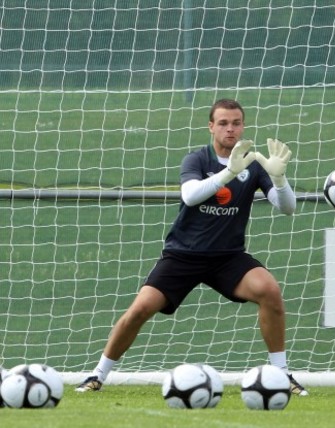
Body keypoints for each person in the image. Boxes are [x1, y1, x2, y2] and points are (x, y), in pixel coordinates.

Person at [75, 98, 308, 396]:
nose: (230, 129)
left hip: (228, 257)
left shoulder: (254, 163)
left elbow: (287, 208)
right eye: (223, 123)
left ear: (243, 126)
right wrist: (229, 173)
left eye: (236, 123)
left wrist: (279, 178)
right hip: (183, 254)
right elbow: (190, 196)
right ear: (211, 126)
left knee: (270, 291)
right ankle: (97, 375)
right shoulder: (197, 159)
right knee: (139, 310)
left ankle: (282, 375)